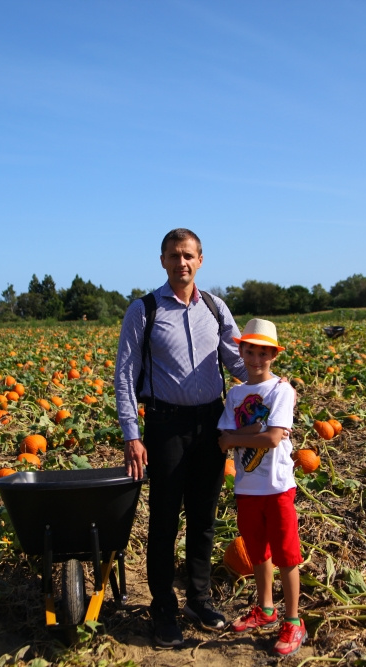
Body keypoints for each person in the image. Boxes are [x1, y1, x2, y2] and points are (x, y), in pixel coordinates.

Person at [114, 228, 248, 647]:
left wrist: (270, 390)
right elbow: (124, 375)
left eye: (188, 255)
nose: (181, 263)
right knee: (165, 518)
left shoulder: (215, 306)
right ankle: (163, 607)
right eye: (174, 256)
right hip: (165, 424)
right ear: (162, 261)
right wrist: (132, 436)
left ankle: (198, 598)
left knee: (204, 518)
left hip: (212, 424)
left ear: (201, 260)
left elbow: (237, 360)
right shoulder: (145, 309)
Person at [218, 319, 306, 657]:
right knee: (257, 552)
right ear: (240, 351)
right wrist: (253, 431)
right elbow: (223, 441)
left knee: (286, 554)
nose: (256, 358)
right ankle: (266, 608)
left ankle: (294, 621)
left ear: (273, 355)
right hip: (247, 488)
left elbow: (271, 438)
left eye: (264, 352)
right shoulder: (236, 394)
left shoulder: (280, 390)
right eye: (250, 351)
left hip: (278, 486)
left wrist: (244, 436)